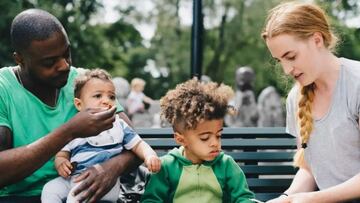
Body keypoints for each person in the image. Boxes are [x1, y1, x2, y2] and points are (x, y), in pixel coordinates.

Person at [0, 9, 140, 202]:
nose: (64, 65)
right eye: (50, 62)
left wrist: (112, 168)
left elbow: (134, 144)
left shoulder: (85, 83)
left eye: (67, 54)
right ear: (20, 59)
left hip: (83, 193)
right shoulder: (3, 89)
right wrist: (69, 132)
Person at [262, 1, 360, 202]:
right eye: (280, 60)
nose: (287, 70)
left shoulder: (356, 84)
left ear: (317, 39)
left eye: (291, 56)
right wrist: (286, 198)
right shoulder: (295, 98)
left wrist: (315, 199)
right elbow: (308, 170)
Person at [41, 69, 160, 203]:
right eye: (98, 96)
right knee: (50, 189)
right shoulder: (75, 127)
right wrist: (61, 163)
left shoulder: (118, 125)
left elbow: (138, 144)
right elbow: (62, 153)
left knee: (75, 198)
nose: (106, 101)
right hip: (73, 178)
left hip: (102, 182)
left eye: (111, 97)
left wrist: (149, 155)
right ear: (79, 104)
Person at [141, 78, 255, 203]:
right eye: (205, 138)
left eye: (218, 135)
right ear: (181, 139)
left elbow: (243, 198)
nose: (215, 143)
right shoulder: (166, 167)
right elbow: (151, 200)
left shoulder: (226, 165)